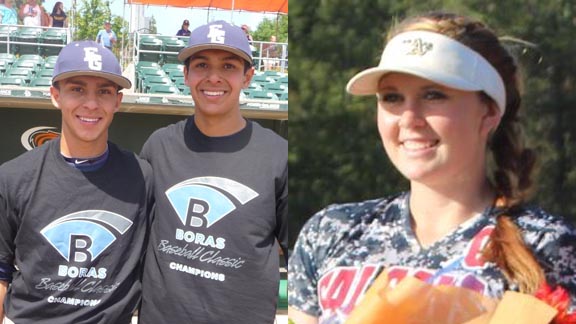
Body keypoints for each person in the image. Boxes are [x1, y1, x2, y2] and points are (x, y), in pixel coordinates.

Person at [288, 11, 576, 324]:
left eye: (434, 95)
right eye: (392, 98)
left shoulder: (548, 243)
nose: (409, 119)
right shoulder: (330, 232)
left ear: (489, 112)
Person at [138, 20, 288, 324]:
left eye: (229, 66)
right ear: (186, 75)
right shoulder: (159, 146)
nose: (214, 77)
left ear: (248, 77)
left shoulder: (279, 155)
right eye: (202, 65)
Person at [0, 40, 153, 324]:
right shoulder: (13, 177)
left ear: (117, 101)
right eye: (77, 89)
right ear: (55, 95)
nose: (91, 104)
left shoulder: (142, 177)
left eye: (104, 91)